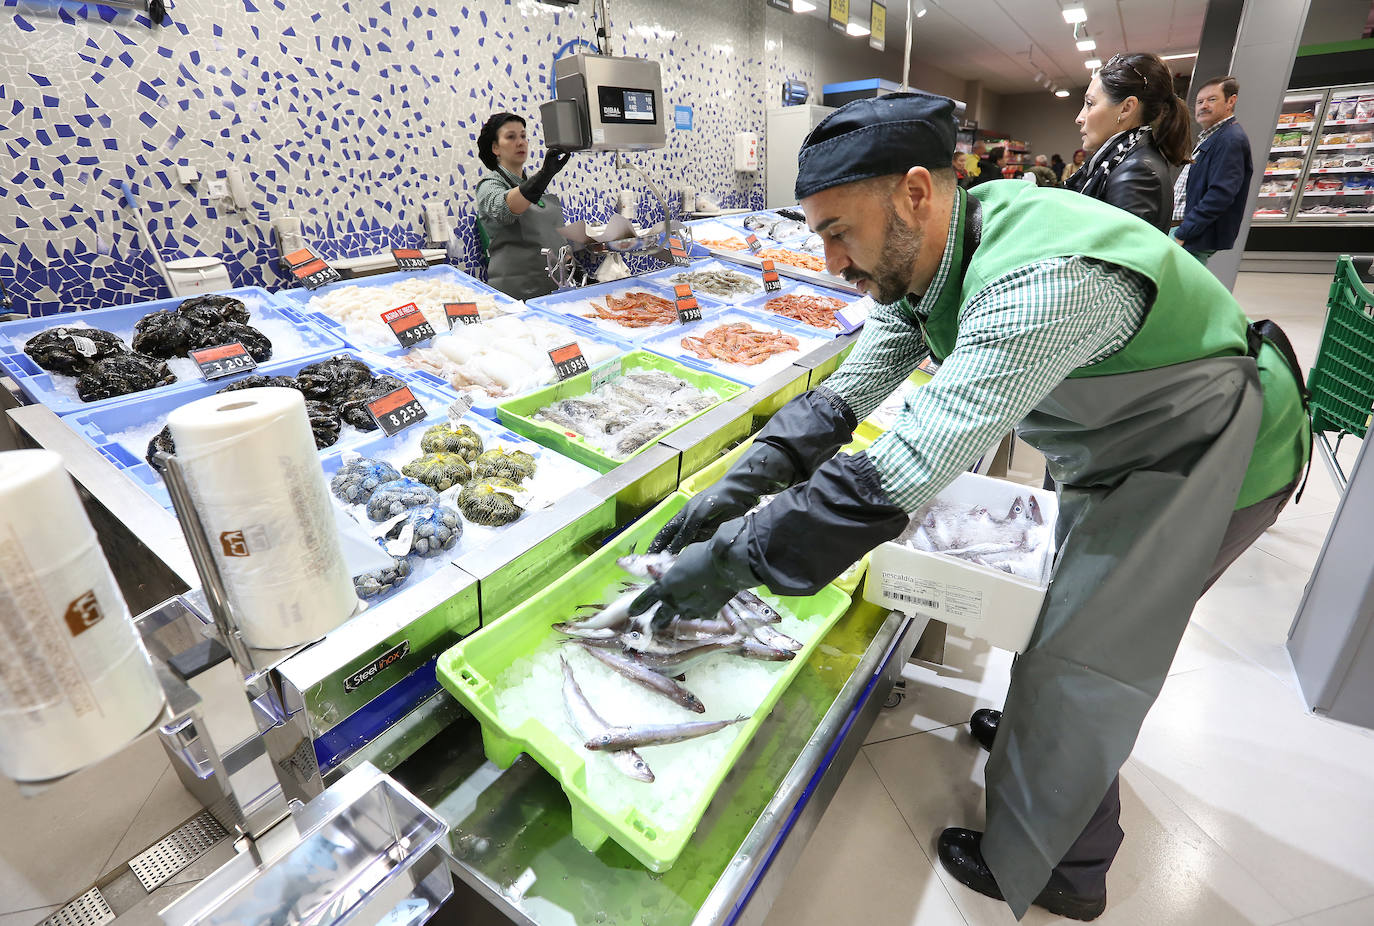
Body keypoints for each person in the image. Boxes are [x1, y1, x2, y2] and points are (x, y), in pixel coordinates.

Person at [628, 92, 1308, 921]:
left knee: (1084, 657)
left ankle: (1068, 866)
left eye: (839, 232)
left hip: (1213, 459)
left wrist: (733, 560)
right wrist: (737, 487)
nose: (834, 263)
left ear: (914, 192)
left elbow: (903, 471)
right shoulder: (944, 245)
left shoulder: (1040, 279)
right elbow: (848, 394)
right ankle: (1033, 737)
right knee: (1063, 616)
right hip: (1129, 452)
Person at [1065, 52, 1191, 232]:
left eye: (1090, 103)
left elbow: (1112, 257)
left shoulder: (1137, 171)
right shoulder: (1126, 162)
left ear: (1126, 108)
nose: (1079, 117)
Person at [473, 112, 572, 299]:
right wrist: (544, 175)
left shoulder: (536, 188)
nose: (520, 142)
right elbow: (504, 209)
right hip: (515, 299)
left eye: (523, 136)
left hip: (554, 294)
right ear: (495, 147)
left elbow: (554, 240)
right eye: (511, 137)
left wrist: (575, 269)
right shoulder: (488, 185)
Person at [1174, 76, 1254, 266]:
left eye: (1212, 99)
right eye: (1200, 101)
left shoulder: (1230, 139)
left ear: (1230, 101)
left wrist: (1183, 232)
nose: (1203, 106)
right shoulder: (1213, 136)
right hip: (1186, 232)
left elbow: (1221, 194)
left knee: (1180, 290)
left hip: (1190, 236)